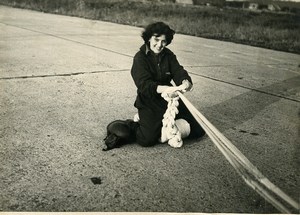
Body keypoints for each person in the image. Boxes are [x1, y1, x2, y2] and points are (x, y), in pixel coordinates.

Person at [129, 22, 205, 147]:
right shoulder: (140, 58)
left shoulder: (168, 55)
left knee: (199, 130)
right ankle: (136, 123)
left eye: (163, 41)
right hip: (149, 100)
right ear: (149, 37)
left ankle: (167, 126)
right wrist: (167, 89)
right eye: (156, 39)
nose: (159, 45)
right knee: (147, 140)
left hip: (170, 99)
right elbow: (144, 85)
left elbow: (178, 71)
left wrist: (185, 81)